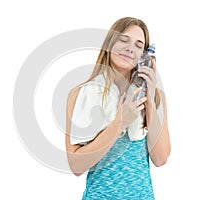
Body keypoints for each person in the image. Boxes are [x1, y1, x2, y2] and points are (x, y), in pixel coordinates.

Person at [65, 17, 171, 199]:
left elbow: (160, 159)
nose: (130, 48)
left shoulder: (155, 96)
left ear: (144, 55)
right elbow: (76, 166)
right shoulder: (80, 94)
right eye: (123, 40)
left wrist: (150, 98)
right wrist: (120, 123)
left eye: (139, 45)